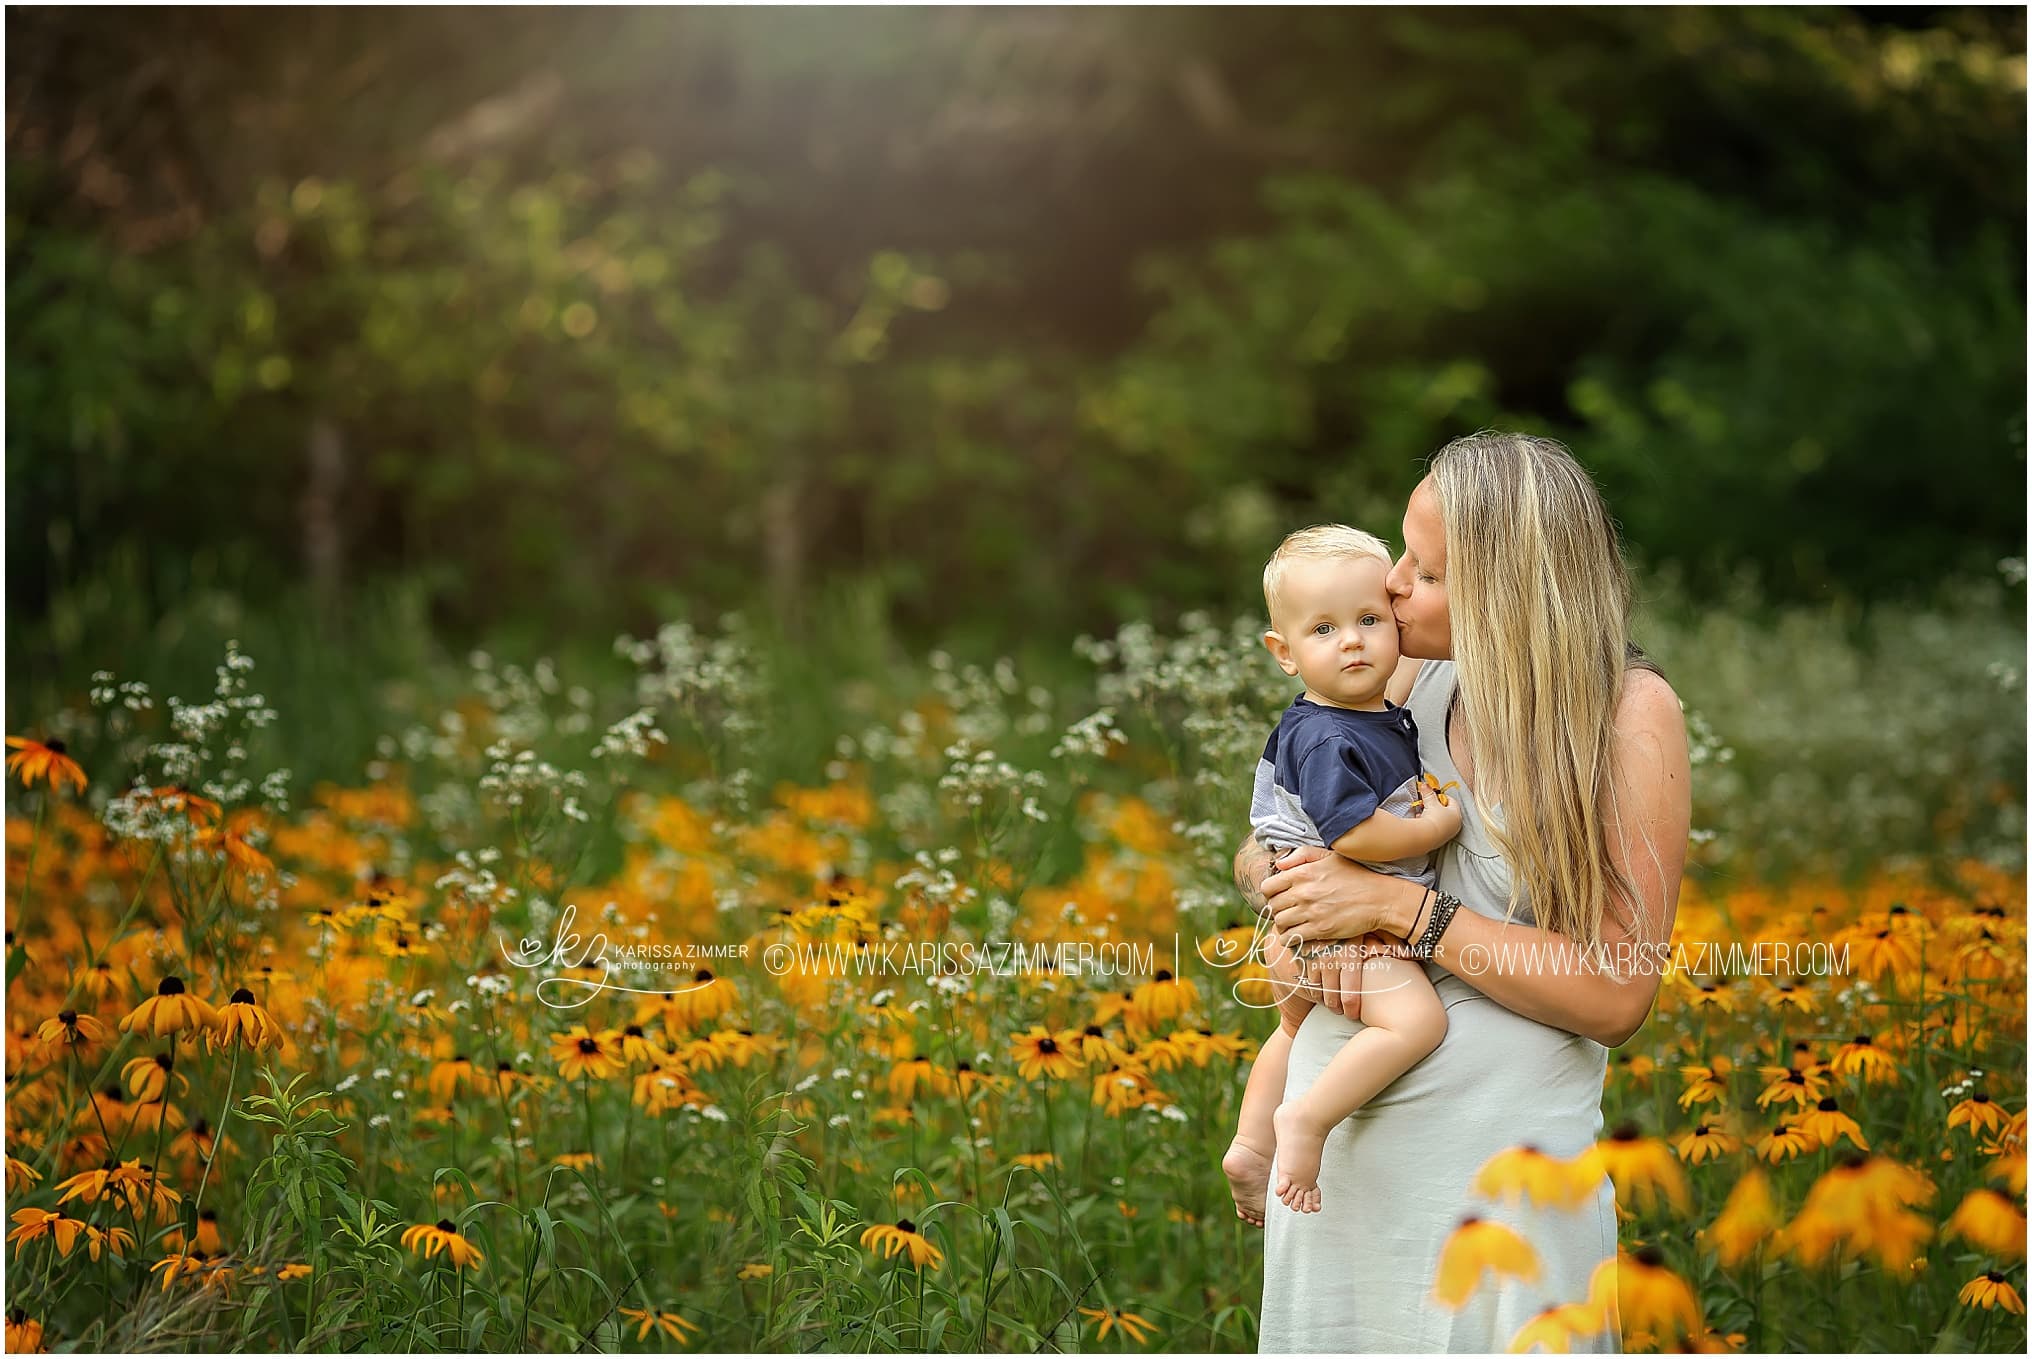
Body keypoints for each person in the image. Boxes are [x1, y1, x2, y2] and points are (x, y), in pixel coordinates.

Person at [1235, 431, 1691, 1353]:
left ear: (1512, 593)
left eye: (1427, 572)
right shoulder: (1405, 672)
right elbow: (1269, 833)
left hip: (1500, 1184)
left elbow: (1616, 993)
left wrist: (1403, 910)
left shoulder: (1627, 715)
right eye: (1403, 552)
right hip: (1341, 1164)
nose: (1394, 585)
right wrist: (1288, 890)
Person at [1223, 524, 1459, 1227]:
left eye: (1368, 620)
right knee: (1417, 1022)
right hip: (1333, 929)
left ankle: (1248, 1141)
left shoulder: (1364, 713)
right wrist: (1436, 826)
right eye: (1324, 628)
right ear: (1284, 653)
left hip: (1311, 928)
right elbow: (1354, 834)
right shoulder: (1330, 735)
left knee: (1293, 1029)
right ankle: (1307, 1118)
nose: (1352, 641)